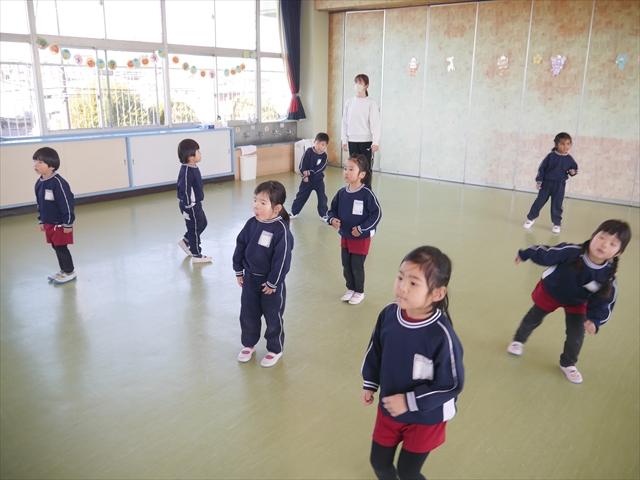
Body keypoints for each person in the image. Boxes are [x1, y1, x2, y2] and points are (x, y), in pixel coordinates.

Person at [361, 246, 465, 480]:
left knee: (408, 472)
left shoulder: (442, 336)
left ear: (437, 294)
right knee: (379, 464)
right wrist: (370, 383)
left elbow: (451, 385)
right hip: (390, 408)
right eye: (400, 278)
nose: (402, 287)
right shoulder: (389, 315)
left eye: (413, 283)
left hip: (426, 417)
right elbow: (375, 350)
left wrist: (410, 401)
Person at [508, 219, 631, 383]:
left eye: (613, 244)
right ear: (593, 236)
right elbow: (547, 253)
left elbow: (604, 301)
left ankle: (568, 363)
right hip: (551, 291)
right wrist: (526, 254)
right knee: (533, 317)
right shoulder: (572, 252)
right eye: (602, 237)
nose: (604, 244)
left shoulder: (607, 276)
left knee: (576, 335)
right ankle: (518, 340)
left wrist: (595, 320)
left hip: (578, 302)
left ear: (618, 253)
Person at [233, 180, 294, 368]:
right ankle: (248, 344)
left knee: (273, 317)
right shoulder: (252, 223)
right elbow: (240, 244)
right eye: (255, 200)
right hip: (250, 279)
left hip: (271, 285)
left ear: (277, 208)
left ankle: (275, 349)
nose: (256, 206)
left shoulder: (281, 231)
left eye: (262, 203)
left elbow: (282, 260)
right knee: (248, 313)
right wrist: (239, 269)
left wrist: (273, 283)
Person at [326, 153, 382, 305]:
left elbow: (377, 214)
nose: (346, 172)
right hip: (345, 236)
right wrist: (332, 220)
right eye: (345, 168)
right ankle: (350, 288)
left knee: (357, 266)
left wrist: (362, 228)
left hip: (360, 238)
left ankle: (359, 291)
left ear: (362, 174)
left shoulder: (366, 194)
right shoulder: (341, 193)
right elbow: (332, 210)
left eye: (351, 169)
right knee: (346, 265)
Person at [33, 147, 77, 284]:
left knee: (61, 247)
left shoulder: (58, 183)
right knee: (55, 246)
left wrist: (68, 222)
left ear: (51, 166)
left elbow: (67, 203)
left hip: (60, 223)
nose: (36, 165)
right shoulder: (39, 183)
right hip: (49, 222)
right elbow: (40, 203)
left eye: (40, 162)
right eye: (35, 161)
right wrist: (41, 220)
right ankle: (63, 270)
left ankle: (69, 272)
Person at [523, 132, 578, 234]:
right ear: (556, 145)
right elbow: (542, 169)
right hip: (546, 184)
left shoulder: (569, 159)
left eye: (568, 144)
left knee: (557, 204)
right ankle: (531, 218)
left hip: (559, 185)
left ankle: (556, 223)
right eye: (562, 144)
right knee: (539, 202)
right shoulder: (550, 156)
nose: (565, 146)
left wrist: (573, 172)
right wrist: (539, 181)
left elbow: (574, 168)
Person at [176, 138, 211, 263]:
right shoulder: (186, 171)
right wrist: (188, 205)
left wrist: (199, 199)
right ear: (190, 156)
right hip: (190, 206)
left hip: (196, 204)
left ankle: (186, 241)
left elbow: (195, 187)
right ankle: (197, 255)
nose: (200, 153)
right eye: (198, 151)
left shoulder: (193, 167)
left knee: (203, 223)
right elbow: (184, 189)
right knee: (194, 229)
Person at [341, 74, 381, 169]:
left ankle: (366, 180)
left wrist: (375, 142)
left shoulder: (371, 102)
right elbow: (344, 122)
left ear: (366, 85)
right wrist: (344, 140)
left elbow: (375, 124)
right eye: (356, 82)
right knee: (354, 168)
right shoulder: (349, 102)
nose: (357, 85)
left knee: (365, 168)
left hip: (366, 141)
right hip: (352, 140)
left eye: (360, 82)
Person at [290, 132, 329, 221]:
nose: (319, 146)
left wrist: (309, 172)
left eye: (322, 144)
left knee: (322, 198)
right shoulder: (308, 151)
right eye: (318, 143)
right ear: (314, 142)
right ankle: (294, 212)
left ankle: (323, 215)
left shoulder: (324, 156)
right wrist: (304, 176)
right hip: (306, 181)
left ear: (326, 146)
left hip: (318, 181)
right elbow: (302, 165)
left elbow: (320, 168)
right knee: (301, 196)